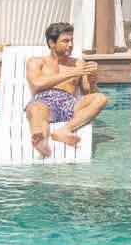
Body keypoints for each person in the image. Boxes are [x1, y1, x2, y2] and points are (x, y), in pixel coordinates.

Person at [24, 21, 109, 158]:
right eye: (65, 41)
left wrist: (92, 81)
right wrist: (72, 73)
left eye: (72, 40)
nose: (70, 45)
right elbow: (36, 84)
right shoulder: (36, 61)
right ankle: (41, 141)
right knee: (35, 109)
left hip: (69, 104)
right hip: (43, 102)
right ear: (52, 43)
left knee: (101, 98)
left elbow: (88, 92)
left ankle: (65, 130)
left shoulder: (78, 63)